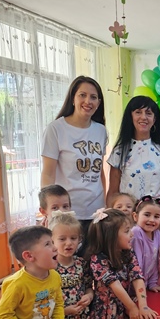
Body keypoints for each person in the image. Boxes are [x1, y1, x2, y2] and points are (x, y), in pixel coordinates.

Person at [40, 76, 108, 237]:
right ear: (72, 98)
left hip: (96, 211)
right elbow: (48, 174)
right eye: (82, 95)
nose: (88, 101)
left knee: (96, 253)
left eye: (93, 97)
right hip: (66, 213)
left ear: (98, 103)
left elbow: (99, 172)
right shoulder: (56, 129)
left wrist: (105, 204)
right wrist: (48, 209)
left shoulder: (101, 130)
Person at [107, 95, 160, 206]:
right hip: (128, 214)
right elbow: (113, 193)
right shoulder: (119, 152)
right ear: (130, 117)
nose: (144, 117)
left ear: (154, 119)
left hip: (158, 214)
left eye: (148, 113)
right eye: (138, 112)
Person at [130, 195, 160, 319]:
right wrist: (141, 286)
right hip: (133, 287)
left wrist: (153, 283)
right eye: (147, 215)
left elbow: (155, 262)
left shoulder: (157, 234)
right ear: (135, 216)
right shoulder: (137, 233)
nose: (152, 220)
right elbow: (136, 265)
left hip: (145, 286)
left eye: (156, 216)